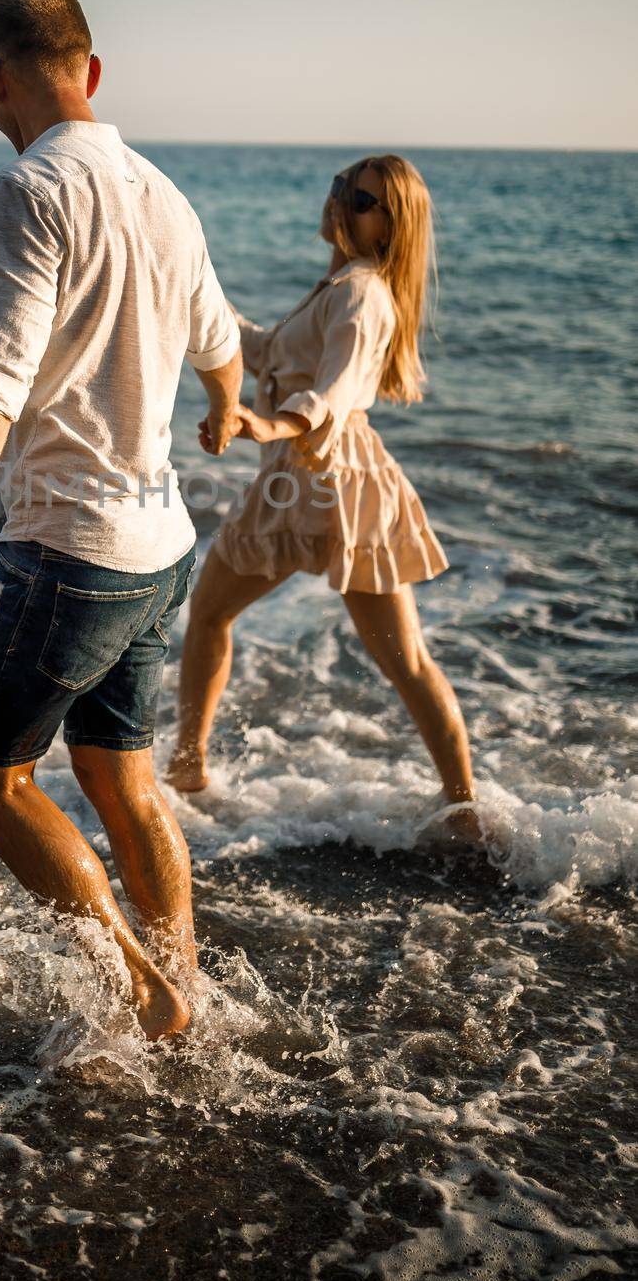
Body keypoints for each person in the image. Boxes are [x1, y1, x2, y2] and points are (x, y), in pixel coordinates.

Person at [0, 0, 243, 1040]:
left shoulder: (25, 190)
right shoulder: (164, 194)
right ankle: (185, 981)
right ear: (90, 72)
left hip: (68, 558)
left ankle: (145, 991)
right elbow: (222, 347)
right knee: (119, 777)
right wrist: (220, 411)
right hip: (160, 550)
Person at [166, 157, 479, 840]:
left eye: (360, 198)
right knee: (211, 610)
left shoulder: (364, 293)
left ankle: (464, 810)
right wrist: (195, 290)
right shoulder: (336, 283)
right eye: (340, 185)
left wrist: (270, 423)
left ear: (390, 226)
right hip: (289, 481)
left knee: (405, 660)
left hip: (340, 483)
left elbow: (334, 392)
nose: (339, 200)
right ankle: (187, 766)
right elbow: (264, 350)